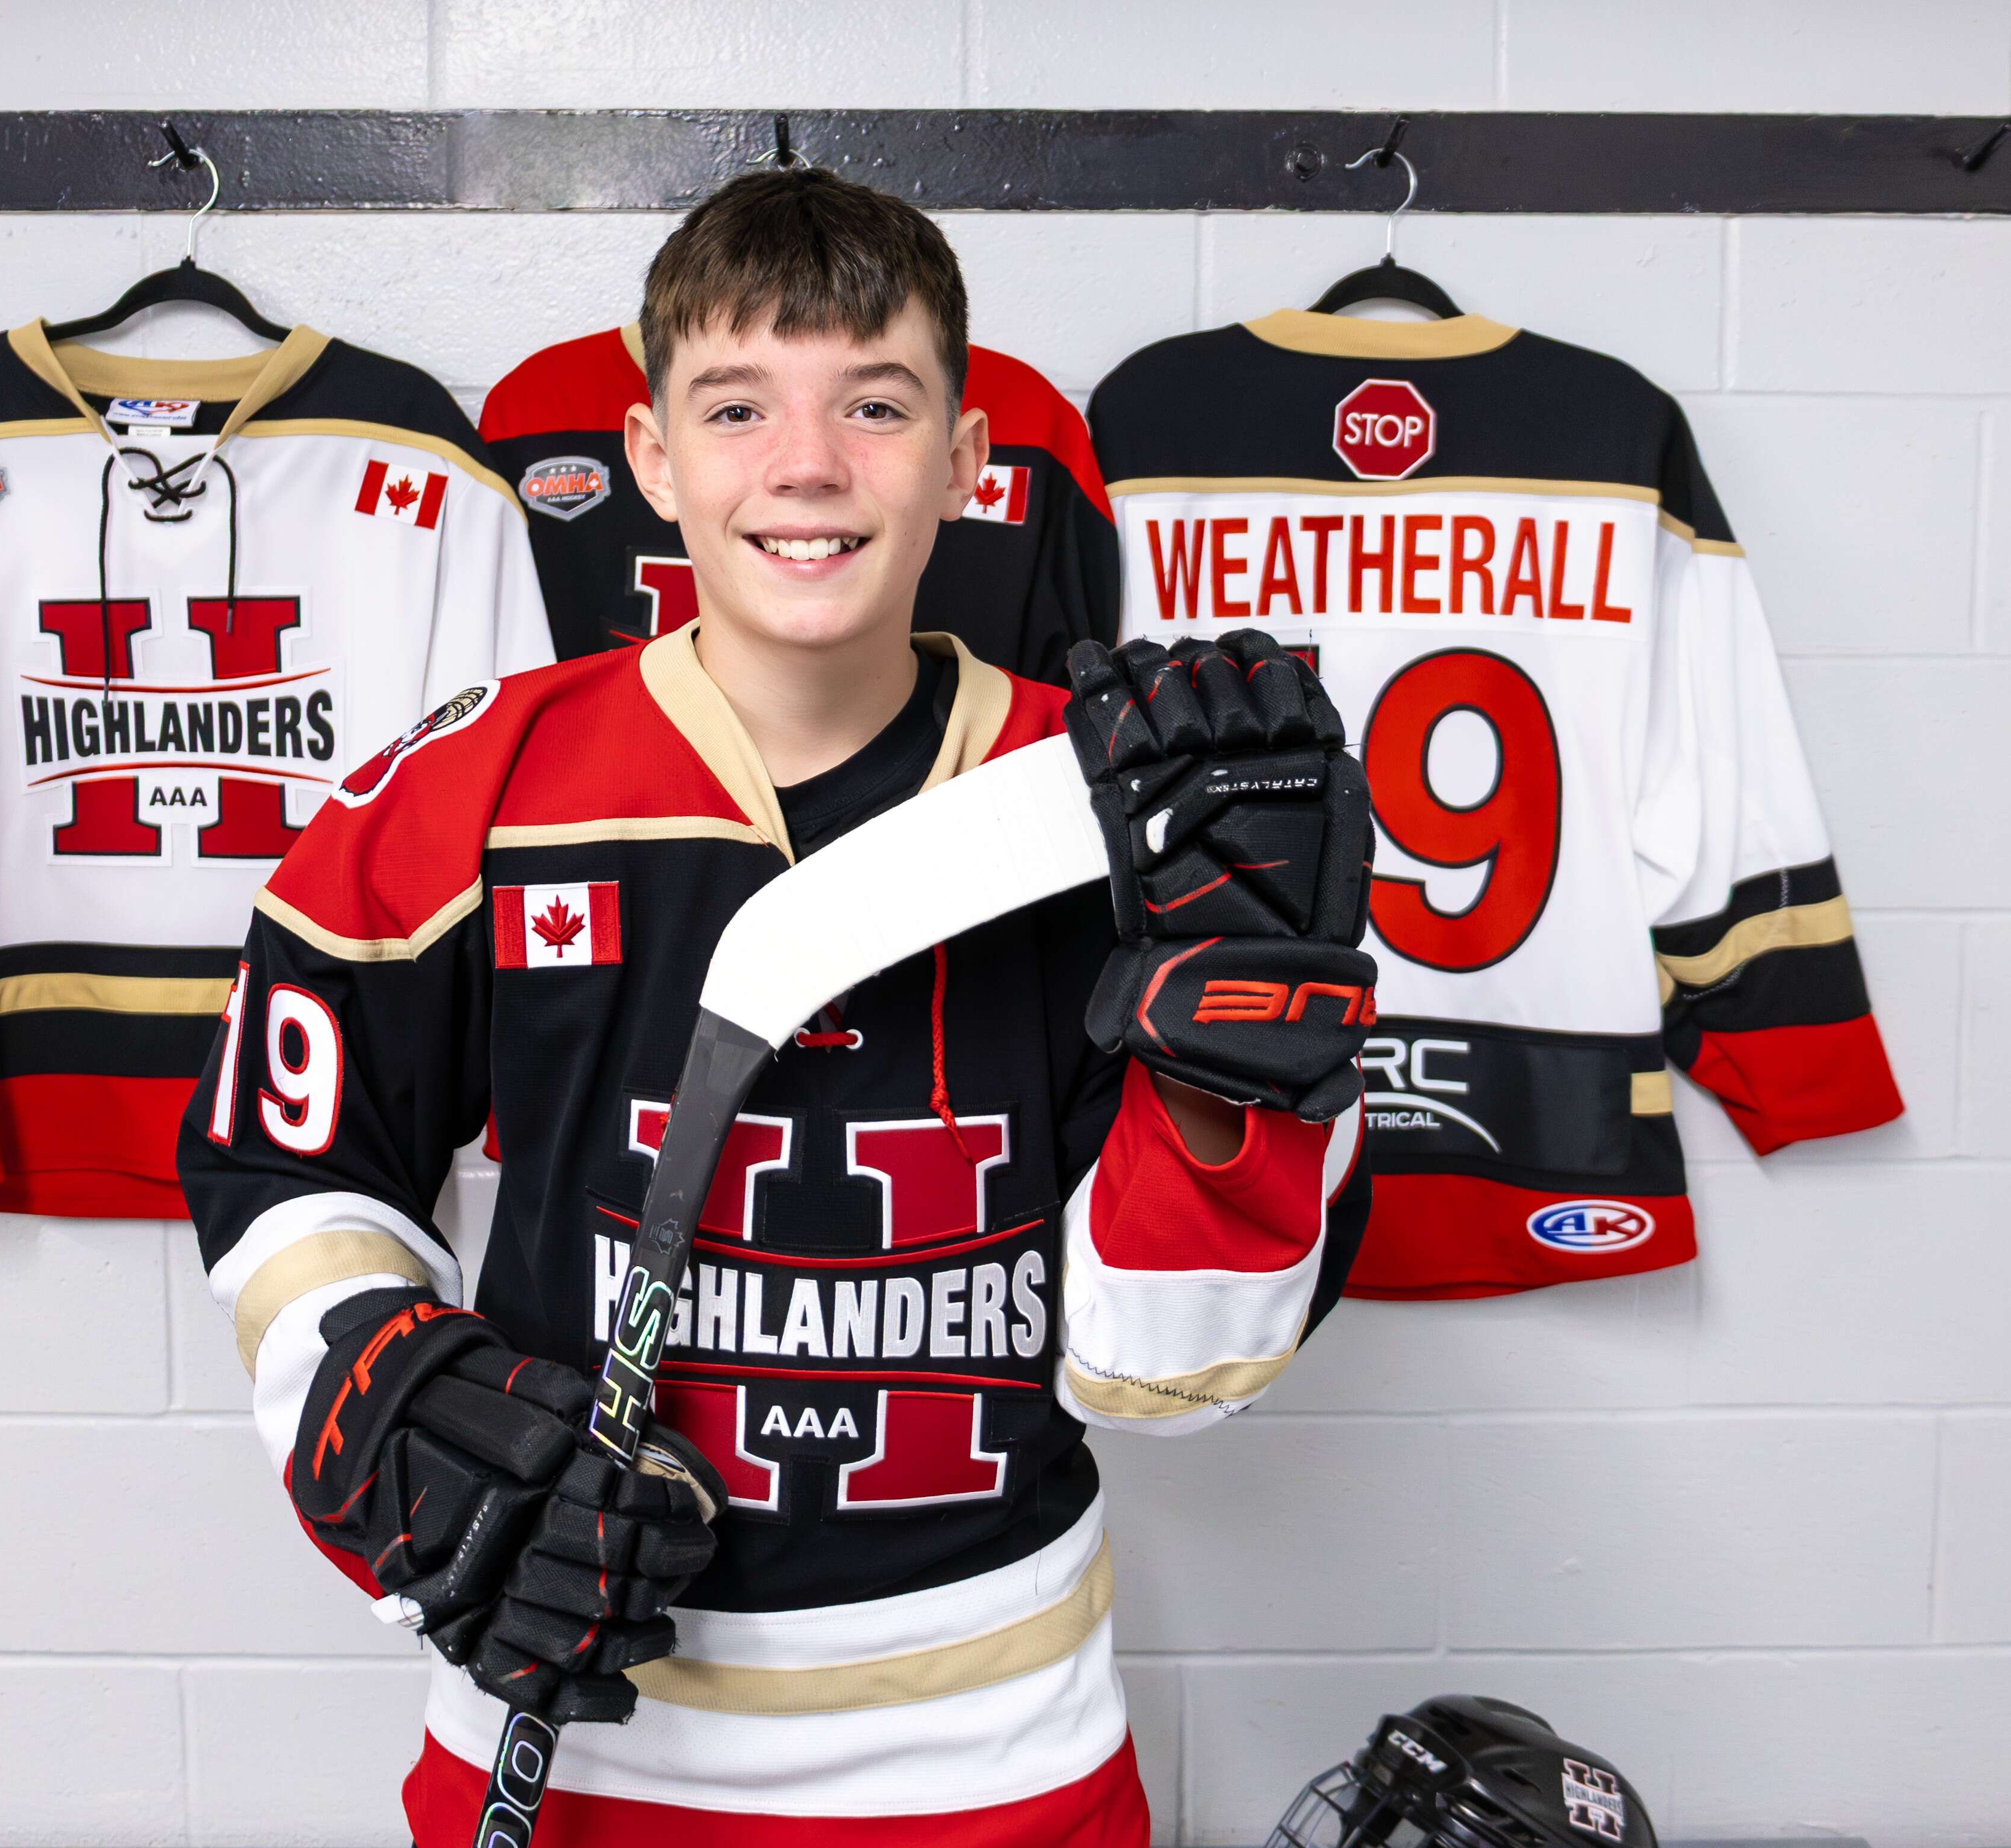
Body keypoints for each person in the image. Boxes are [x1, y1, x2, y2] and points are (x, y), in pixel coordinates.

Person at [177, 166, 1377, 1848]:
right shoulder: (466, 792)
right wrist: (389, 1396)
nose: (806, 465)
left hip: (1003, 1758)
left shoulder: (1126, 807)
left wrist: (1240, 1069)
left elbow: (1162, 1377)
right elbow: (284, 1173)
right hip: (571, 1734)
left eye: (875, 405)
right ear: (653, 456)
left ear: (968, 461)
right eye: (737, 407)